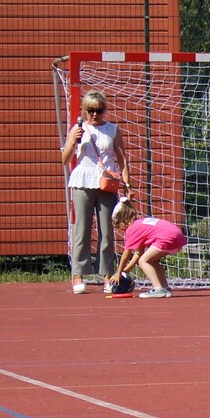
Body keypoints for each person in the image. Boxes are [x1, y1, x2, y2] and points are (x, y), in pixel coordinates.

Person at [61, 90, 127, 294]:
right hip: (83, 181)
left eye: (99, 110)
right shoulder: (77, 129)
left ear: (105, 110)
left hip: (106, 182)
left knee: (107, 230)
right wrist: (74, 141)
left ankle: (107, 274)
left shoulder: (112, 130)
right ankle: (78, 275)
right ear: (84, 110)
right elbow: (65, 159)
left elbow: (122, 159)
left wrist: (128, 184)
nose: (95, 115)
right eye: (90, 110)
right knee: (82, 229)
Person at [108, 205, 186, 298]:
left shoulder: (132, 229)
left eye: (118, 226)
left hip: (167, 237)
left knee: (143, 261)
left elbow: (126, 254)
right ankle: (165, 288)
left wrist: (118, 273)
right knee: (151, 261)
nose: (119, 229)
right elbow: (138, 253)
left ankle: (158, 289)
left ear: (122, 221)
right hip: (177, 236)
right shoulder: (140, 223)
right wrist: (125, 271)